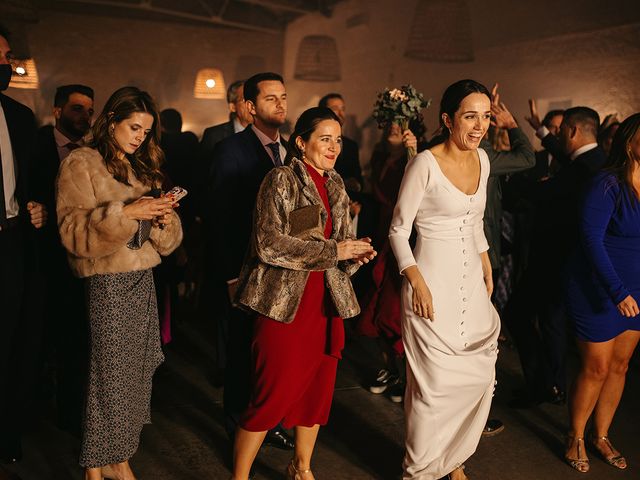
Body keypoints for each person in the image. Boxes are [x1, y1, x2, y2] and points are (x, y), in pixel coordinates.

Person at [230, 106, 376, 480]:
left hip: (326, 305)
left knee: (316, 394)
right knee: (270, 395)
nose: (333, 147)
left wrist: (356, 254)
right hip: (284, 306)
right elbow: (268, 244)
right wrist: (335, 251)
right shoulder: (281, 180)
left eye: (338, 140)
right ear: (301, 142)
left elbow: (339, 250)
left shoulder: (337, 185)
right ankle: (240, 476)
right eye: (324, 138)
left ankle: (302, 466)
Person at [56, 86, 183, 480]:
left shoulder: (140, 167)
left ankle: (118, 456)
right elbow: (72, 231)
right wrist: (127, 212)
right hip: (108, 282)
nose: (138, 137)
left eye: (145, 132)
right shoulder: (82, 162)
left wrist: (162, 220)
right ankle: (97, 465)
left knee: (138, 373)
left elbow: (168, 240)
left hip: (142, 280)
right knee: (109, 375)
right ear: (110, 120)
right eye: (133, 127)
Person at [389, 79, 500, 480]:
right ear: (448, 119)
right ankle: (418, 470)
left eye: (486, 116)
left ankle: (453, 458)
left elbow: (474, 219)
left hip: (471, 279)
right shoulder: (424, 163)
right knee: (432, 390)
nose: (480, 125)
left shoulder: (483, 160)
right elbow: (398, 230)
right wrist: (416, 281)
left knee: (473, 379)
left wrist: (485, 260)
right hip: (429, 281)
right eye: (471, 116)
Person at [209, 72, 295, 451]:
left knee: (272, 354)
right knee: (241, 354)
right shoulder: (230, 150)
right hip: (243, 269)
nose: (280, 104)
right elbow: (219, 217)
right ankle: (236, 430)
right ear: (249, 107)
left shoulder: (292, 150)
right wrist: (229, 275)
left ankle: (269, 421)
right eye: (270, 98)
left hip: (282, 271)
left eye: (283, 97)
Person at [506, 107, 606, 409]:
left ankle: (542, 384)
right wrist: (539, 131)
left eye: (561, 131)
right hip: (565, 261)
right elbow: (565, 158)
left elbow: (541, 194)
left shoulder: (581, 170)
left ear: (572, 131)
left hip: (554, 260)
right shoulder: (596, 160)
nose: (557, 136)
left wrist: (499, 177)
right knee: (551, 321)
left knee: (517, 313)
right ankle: (554, 385)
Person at [563, 113, 640, 473]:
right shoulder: (607, 183)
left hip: (637, 289)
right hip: (598, 286)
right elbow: (591, 241)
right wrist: (617, 291)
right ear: (630, 143)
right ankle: (576, 436)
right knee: (597, 366)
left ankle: (602, 435)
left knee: (621, 365)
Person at [31, 83, 95, 436]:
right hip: (41, 259)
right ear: (57, 112)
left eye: (89, 110)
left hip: (81, 263)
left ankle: (72, 416)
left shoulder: (95, 154)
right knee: (39, 340)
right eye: (76, 109)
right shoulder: (36, 146)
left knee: (76, 343)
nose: (84, 116)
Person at [0, 25, 47, 471]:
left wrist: (36, 206)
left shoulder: (17, 115)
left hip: (10, 240)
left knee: (11, 342)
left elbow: (28, 182)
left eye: (7, 57)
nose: (7, 66)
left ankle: (6, 436)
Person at [357, 121, 420, 403]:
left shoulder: (416, 160)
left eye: (401, 125)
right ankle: (390, 369)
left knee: (396, 307)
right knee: (377, 304)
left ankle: (407, 376)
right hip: (379, 232)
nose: (395, 129)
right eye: (391, 125)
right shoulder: (380, 157)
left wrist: (414, 153)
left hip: (403, 237)